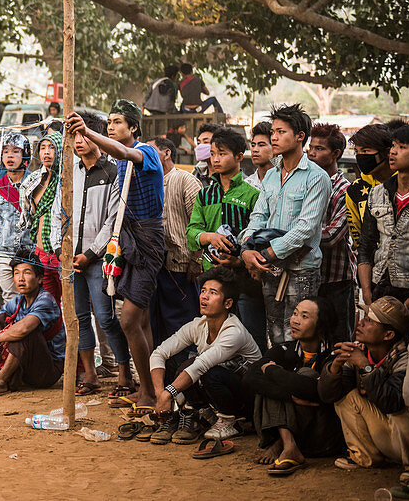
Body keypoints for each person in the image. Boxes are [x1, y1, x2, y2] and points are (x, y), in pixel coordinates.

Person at [66, 99, 165, 416]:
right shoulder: (115, 159)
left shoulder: (145, 151)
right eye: (108, 122)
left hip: (147, 238)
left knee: (127, 320)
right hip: (128, 238)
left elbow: (124, 153)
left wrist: (88, 133)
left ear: (134, 127)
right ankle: (148, 388)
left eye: (118, 122)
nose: (111, 127)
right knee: (143, 321)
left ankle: (147, 392)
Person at [241, 104, 330, 346]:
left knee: (299, 334)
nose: (274, 137)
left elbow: (306, 228)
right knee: (275, 331)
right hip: (270, 268)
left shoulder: (316, 177)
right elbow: (258, 216)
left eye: (281, 132)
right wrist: (247, 248)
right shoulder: (270, 175)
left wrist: (267, 254)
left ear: (300, 136)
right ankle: (279, 377)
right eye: (273, 132)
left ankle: (299, 381)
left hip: (301, 269)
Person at [147, 267, 261, 453]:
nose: (204, 297)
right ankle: (201, 414)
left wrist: (168, 394)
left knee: (206, 371)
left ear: (227, 303)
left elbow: (201, 365)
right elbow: (158, 353)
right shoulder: (198, 325)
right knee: (175, 360)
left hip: (248, 399)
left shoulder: (234, 331)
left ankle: (230, 421)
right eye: (203, 291)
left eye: (213, 293)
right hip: (218, 386)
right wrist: (160, 393)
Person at [65, 112, 133, 396]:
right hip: (70, 258)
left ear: (96, 137)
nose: (78, 142)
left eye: (84, 135)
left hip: (98, 258)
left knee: (105, 317)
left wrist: (91, 253)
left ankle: (124, 375)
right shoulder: (70, 173)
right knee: (79, 316)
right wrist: (65, 249)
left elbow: (113, 219)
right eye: (74, 137)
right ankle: (90, 375)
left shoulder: (112, 171)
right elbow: (63, 211)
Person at [319, 296, 409, 483]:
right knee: (346, 398)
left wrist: (365, 365)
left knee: (401, 408)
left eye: (370, 320)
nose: (361, 322)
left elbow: (392, 402)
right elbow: (328, 396)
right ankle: (366, 456)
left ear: (388, 335)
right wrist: (335, 368)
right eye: (365, 316)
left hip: (405, 441)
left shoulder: (406, 358)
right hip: (384, 436)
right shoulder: (360, 350)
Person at [186, 127, 267, 352]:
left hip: (244, 278)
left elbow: (259, 239)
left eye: (222, 153)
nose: (216, 159)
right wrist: (209, 236)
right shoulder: (204, 194)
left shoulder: (253, 195)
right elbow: (191, 233)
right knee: (212, 340)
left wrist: (239, 260)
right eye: (213, 154)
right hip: (212, 277)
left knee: (251, 337)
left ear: (239, 157)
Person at [243, 297, 343, 476]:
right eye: (295, 313)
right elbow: (250, 377)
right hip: (291, 431)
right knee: (273, 385)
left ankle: (283, 444)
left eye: (305, 316)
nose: (295, 320)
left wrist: (274, 372)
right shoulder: (284, 349)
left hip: (322, 436)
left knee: (304, 375)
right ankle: (288, 446)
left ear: (320, 325)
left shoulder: (334, 354)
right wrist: (288, 396)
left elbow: (316, 391)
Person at [0, 257, 65, 399]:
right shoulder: (18, 300)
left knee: (25, 332)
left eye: (26, 273)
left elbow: (24, 329)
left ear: (39, 279)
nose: (20, 279)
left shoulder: (46, 300)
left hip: (47, 371)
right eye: (16, 273)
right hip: (26, 366)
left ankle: (0, 380)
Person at [147, 136, 203, 345]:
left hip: (180, 264)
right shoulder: (148, 180)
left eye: (151, 151)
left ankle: (183, 373)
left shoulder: (185, 180)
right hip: (154, 266)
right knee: (157, 323)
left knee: (182, 324)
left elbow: (199, 223)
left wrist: (196, 260)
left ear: (167, 152)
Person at [307, 122, 356, 344]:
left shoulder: (346, 190)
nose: (311, 153)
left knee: (338, 339)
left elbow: (333, 235)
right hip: (309, 275)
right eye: (311, 147)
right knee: (311, 337)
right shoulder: (307, 182)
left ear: (335, 153)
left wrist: (296, 234)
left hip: (336, 277)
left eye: (319, 148)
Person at [358, 124, 409, 307]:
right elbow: (365, 246)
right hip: (379, 286)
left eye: (402, 147)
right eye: (393, 146)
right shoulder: (377, 193)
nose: (393, 152)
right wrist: (366, 292)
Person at [19, 131, 64, 305]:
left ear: (60, 150)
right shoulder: (34, 179)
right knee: (48, 303)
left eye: (52, 147)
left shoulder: (67, 180)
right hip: (40, 252)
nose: (46, 152)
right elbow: (27, 215)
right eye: (43, 148)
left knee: (69, 302)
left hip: (60, 253)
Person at [0, 130, 31, 302]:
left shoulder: (35, 183)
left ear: (25, 155)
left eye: (15, 151)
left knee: (30, 297)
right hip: (3, 250)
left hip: (29, 250)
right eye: (5, 151)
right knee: (8, 298)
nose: (10, 156)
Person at [347, 123, 395, 256]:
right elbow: (358, 238)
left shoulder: (403, 184)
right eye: (357, 151)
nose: (360, 156)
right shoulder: (355, 189)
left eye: (366, 151)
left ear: (386, 152)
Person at [245, 120, 275, 189]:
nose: (255, 150)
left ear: (274, 148)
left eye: (261, 145)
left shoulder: (284, 183)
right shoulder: (247, 185)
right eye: (253, 145)